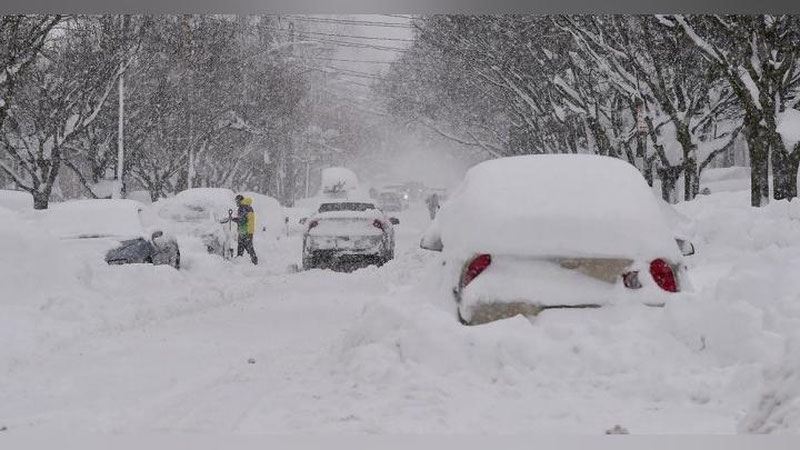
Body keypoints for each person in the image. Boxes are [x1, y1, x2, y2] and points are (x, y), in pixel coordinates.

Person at [224, 195, 258, 265]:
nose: (236, 203)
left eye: (236, 201)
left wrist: (232, 219)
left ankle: (253, 261)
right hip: (248, 230)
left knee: (245, 246)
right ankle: (247, 260)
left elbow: (241, 220)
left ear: (239, 201)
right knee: (244, 246)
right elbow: (243, 218)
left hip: (245, 230)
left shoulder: (243, 208)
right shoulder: (248, 207)